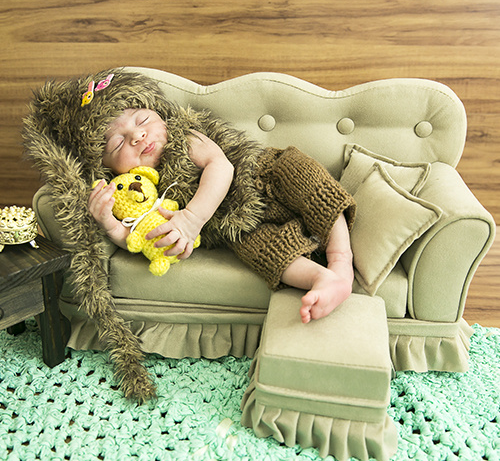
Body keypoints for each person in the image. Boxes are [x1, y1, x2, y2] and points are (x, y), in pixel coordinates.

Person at [88, 107, 356, 325]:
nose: (137, 135)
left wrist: (190, 219)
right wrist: (109, 224)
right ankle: (321, 280)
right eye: (118, 143)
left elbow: (220, 166)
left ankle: (340, 259)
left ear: (161, 116)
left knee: (305, 179)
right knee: (263, 251)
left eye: (143, 120)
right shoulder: (136, 190)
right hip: (236, 224)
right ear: (108, 167)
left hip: (264, 175)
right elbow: (142, 236)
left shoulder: (183, 138)